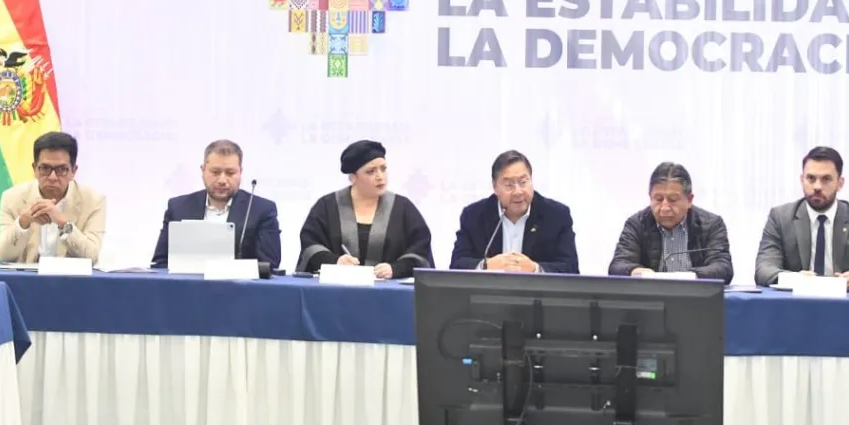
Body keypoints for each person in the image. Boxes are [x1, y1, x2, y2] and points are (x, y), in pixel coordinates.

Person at [754, 146, 849, 290]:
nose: (817, 186)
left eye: (826, 179)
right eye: (811, 178)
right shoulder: (780, 217)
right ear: (802, 180)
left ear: (840, 183)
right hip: (796, 306)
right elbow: (764, 270)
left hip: (846, 305)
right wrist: (795, 279)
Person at [297, 140, 433, 279]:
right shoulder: (327, 206)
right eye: (371, 171)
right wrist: (334, 261)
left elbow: (420, 250)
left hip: (390, 293)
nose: (380, 176)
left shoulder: (403, 208)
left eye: (383, 168)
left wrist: (396, 269)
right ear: (353, 177)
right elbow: (310, 246)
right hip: (337, 291)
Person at [151, 140, 281, 269]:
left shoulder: (261, 210)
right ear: (203, 170)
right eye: (215, 172)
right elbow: (160, 263)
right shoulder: (178, 207)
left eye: (230, 173)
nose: (222, 180)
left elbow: (269, 266)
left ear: (240, 172)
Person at [450, 150, 579, 273]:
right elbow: (456, 265)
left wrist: (535, 269)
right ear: (495, 187)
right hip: (489, 294)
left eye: (523, 182)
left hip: (537, 295)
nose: (518, 192)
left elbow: (571, 269)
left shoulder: (556, 216)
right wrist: (486, 266)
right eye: (509, 185)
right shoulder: (474, 215)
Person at [608, 162, 733, 282]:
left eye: (673, 200)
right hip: (651, 300)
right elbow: (618, 266)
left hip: (695, 299)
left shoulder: (712, 225)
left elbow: (723, 268)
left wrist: (687, 278)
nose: (664, 207)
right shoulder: (637, 224)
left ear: (689, 200)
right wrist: (640, 273)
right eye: (658, 199)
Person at [0, 131, 106, 264]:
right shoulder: (12, 198)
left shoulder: (94, 201)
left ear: (73, 171)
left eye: (61, 169)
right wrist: (23, 221)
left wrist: (63, 224)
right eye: (45, 168)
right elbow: (3, 256)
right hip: (25, 281)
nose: (53, 177)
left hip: (71, 281)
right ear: (35, 169)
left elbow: (92, 257)